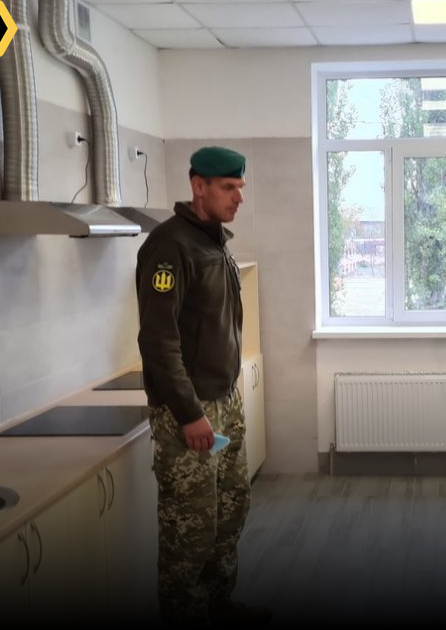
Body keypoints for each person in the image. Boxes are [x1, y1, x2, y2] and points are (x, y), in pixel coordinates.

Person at [135, 146, 271, 627]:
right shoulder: (170, 247)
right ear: (198, 186)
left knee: (229, 509)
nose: (238, 197)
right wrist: (190, 413)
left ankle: (219, 606)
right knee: (189, 528)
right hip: (190, 410)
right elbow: (158, 340)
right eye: (229, 188)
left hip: (225, 400)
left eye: (240, 188)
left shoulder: (213, 242)